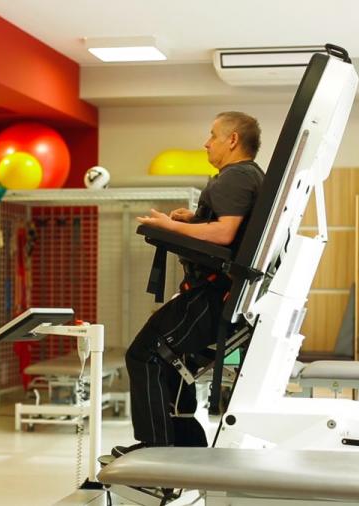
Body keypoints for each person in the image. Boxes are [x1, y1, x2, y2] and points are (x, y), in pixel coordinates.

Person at [113, 111, 265, 457]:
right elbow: (233, 230)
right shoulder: (251, 175)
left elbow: (225, 233)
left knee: (144, 354)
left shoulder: (234, 176)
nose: (206, 143)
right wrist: (195, 220)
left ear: (232, 140)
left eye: (213, 135)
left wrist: (169, 226)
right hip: (222, 294)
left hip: (213, 294)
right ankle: (185, 443)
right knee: (173, 361)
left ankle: (155, 450)